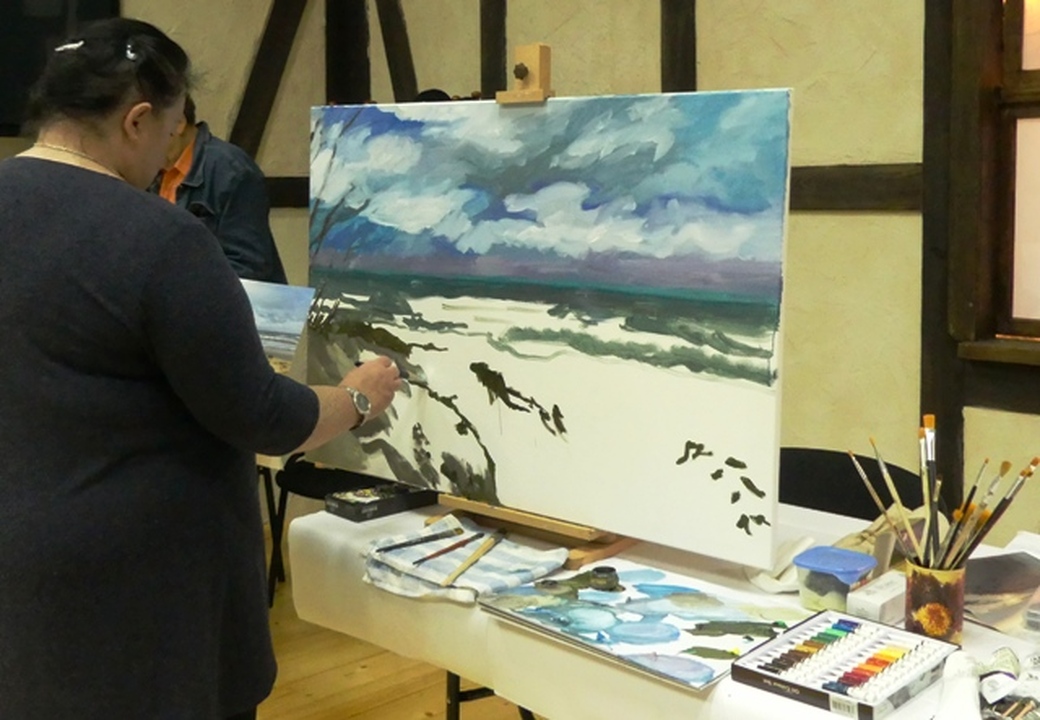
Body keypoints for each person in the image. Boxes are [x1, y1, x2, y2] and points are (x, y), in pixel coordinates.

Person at [0, 17, 401, 720]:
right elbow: (263, 416)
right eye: (172, 129)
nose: (170, 153)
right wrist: (357, 397)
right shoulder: (159, 239)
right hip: (144, 591)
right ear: (136, 120)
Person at [152, 94, 287, 283]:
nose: (138, 142)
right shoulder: (150, 171)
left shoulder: (232, 171)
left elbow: (248, 267)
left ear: (178, 123)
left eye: (146, 131)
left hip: (225, 298)